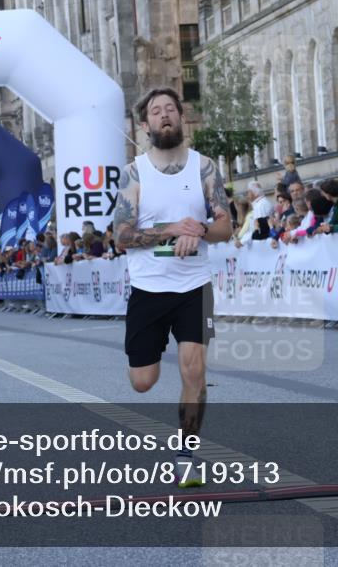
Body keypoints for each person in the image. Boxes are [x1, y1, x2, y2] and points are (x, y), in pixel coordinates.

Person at [113, 87, 232, 488]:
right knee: (142, 382)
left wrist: (198, 228)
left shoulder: (205, 168)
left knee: (194, 370)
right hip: (148, 288)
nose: (164, 115)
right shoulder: (134, 173)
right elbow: (121, 237)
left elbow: (224, 227)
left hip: (194, 287)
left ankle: (187, 456)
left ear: (181, 118)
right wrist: (170, 230)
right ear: (145, 125)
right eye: (156, 111)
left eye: (170, 109)